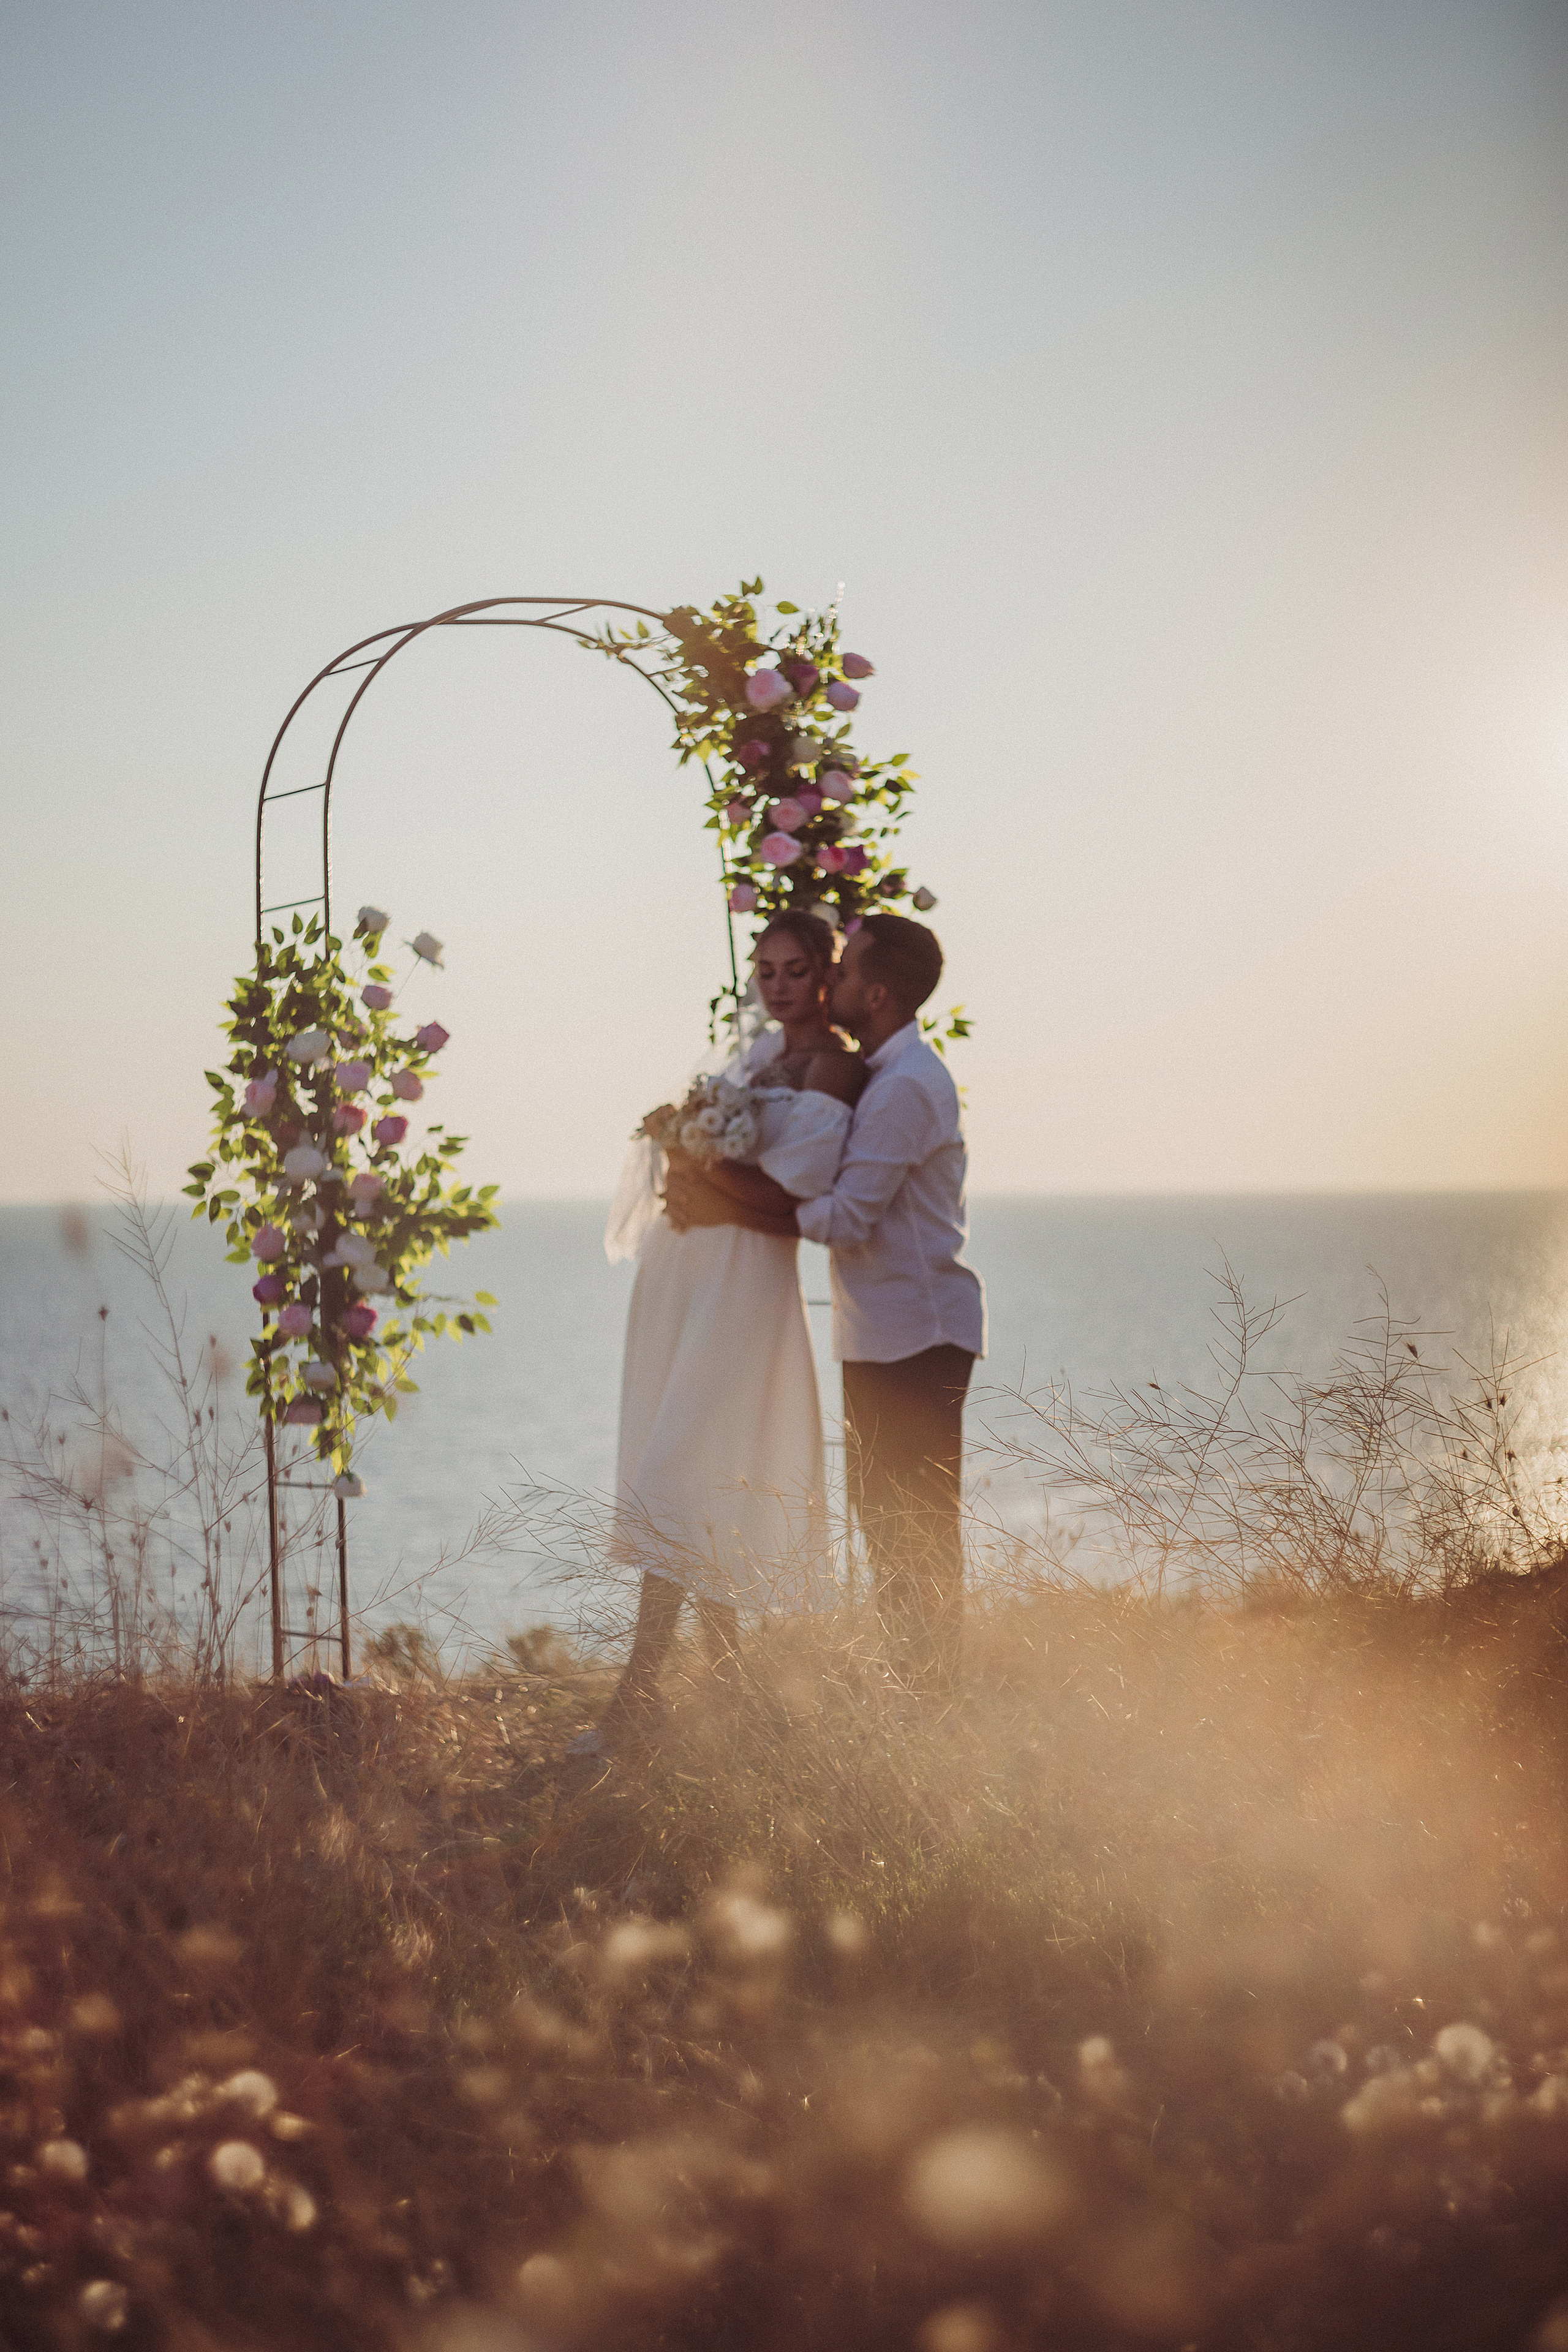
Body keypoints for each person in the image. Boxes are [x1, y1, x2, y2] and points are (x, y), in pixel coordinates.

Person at [665, 914, 985, 1696]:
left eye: (839, 975)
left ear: (874, 994)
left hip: (917, 1329)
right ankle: (920, 1689)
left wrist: (724, 1202)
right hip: (882, 1330)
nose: (825, 984)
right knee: (888, 1524)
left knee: (916, 1526)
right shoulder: (887, 1073)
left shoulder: (905, 1086)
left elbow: (845, 1218)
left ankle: (936, 1693)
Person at [575, 911, 862, 1757]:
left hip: (744, 1281)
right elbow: (707, 1169)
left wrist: (707, 1175)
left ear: (825, 973)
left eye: (795, 968)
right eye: (766, 969)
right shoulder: (750, 1059)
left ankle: (637, 1698)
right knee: (688, 1473)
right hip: (682, 1271)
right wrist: (681, 1157)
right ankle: (729, 1692)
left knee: (678, 1470)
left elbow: (793, 1198)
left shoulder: (836, 1068)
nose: (777, 984)